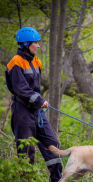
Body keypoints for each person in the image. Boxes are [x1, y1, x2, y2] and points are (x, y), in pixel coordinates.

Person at [5, 27, 62, 182]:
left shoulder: (36, 61)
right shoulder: (15, 62)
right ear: (25, 44)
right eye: (35, 43)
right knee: (26, 150)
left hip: (36, 112)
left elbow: (34, 87)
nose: (38, 46)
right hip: (22, 112)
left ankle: (57, 179)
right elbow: (21, 88)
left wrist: (38, 102)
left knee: (53, 144)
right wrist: (39, 100)